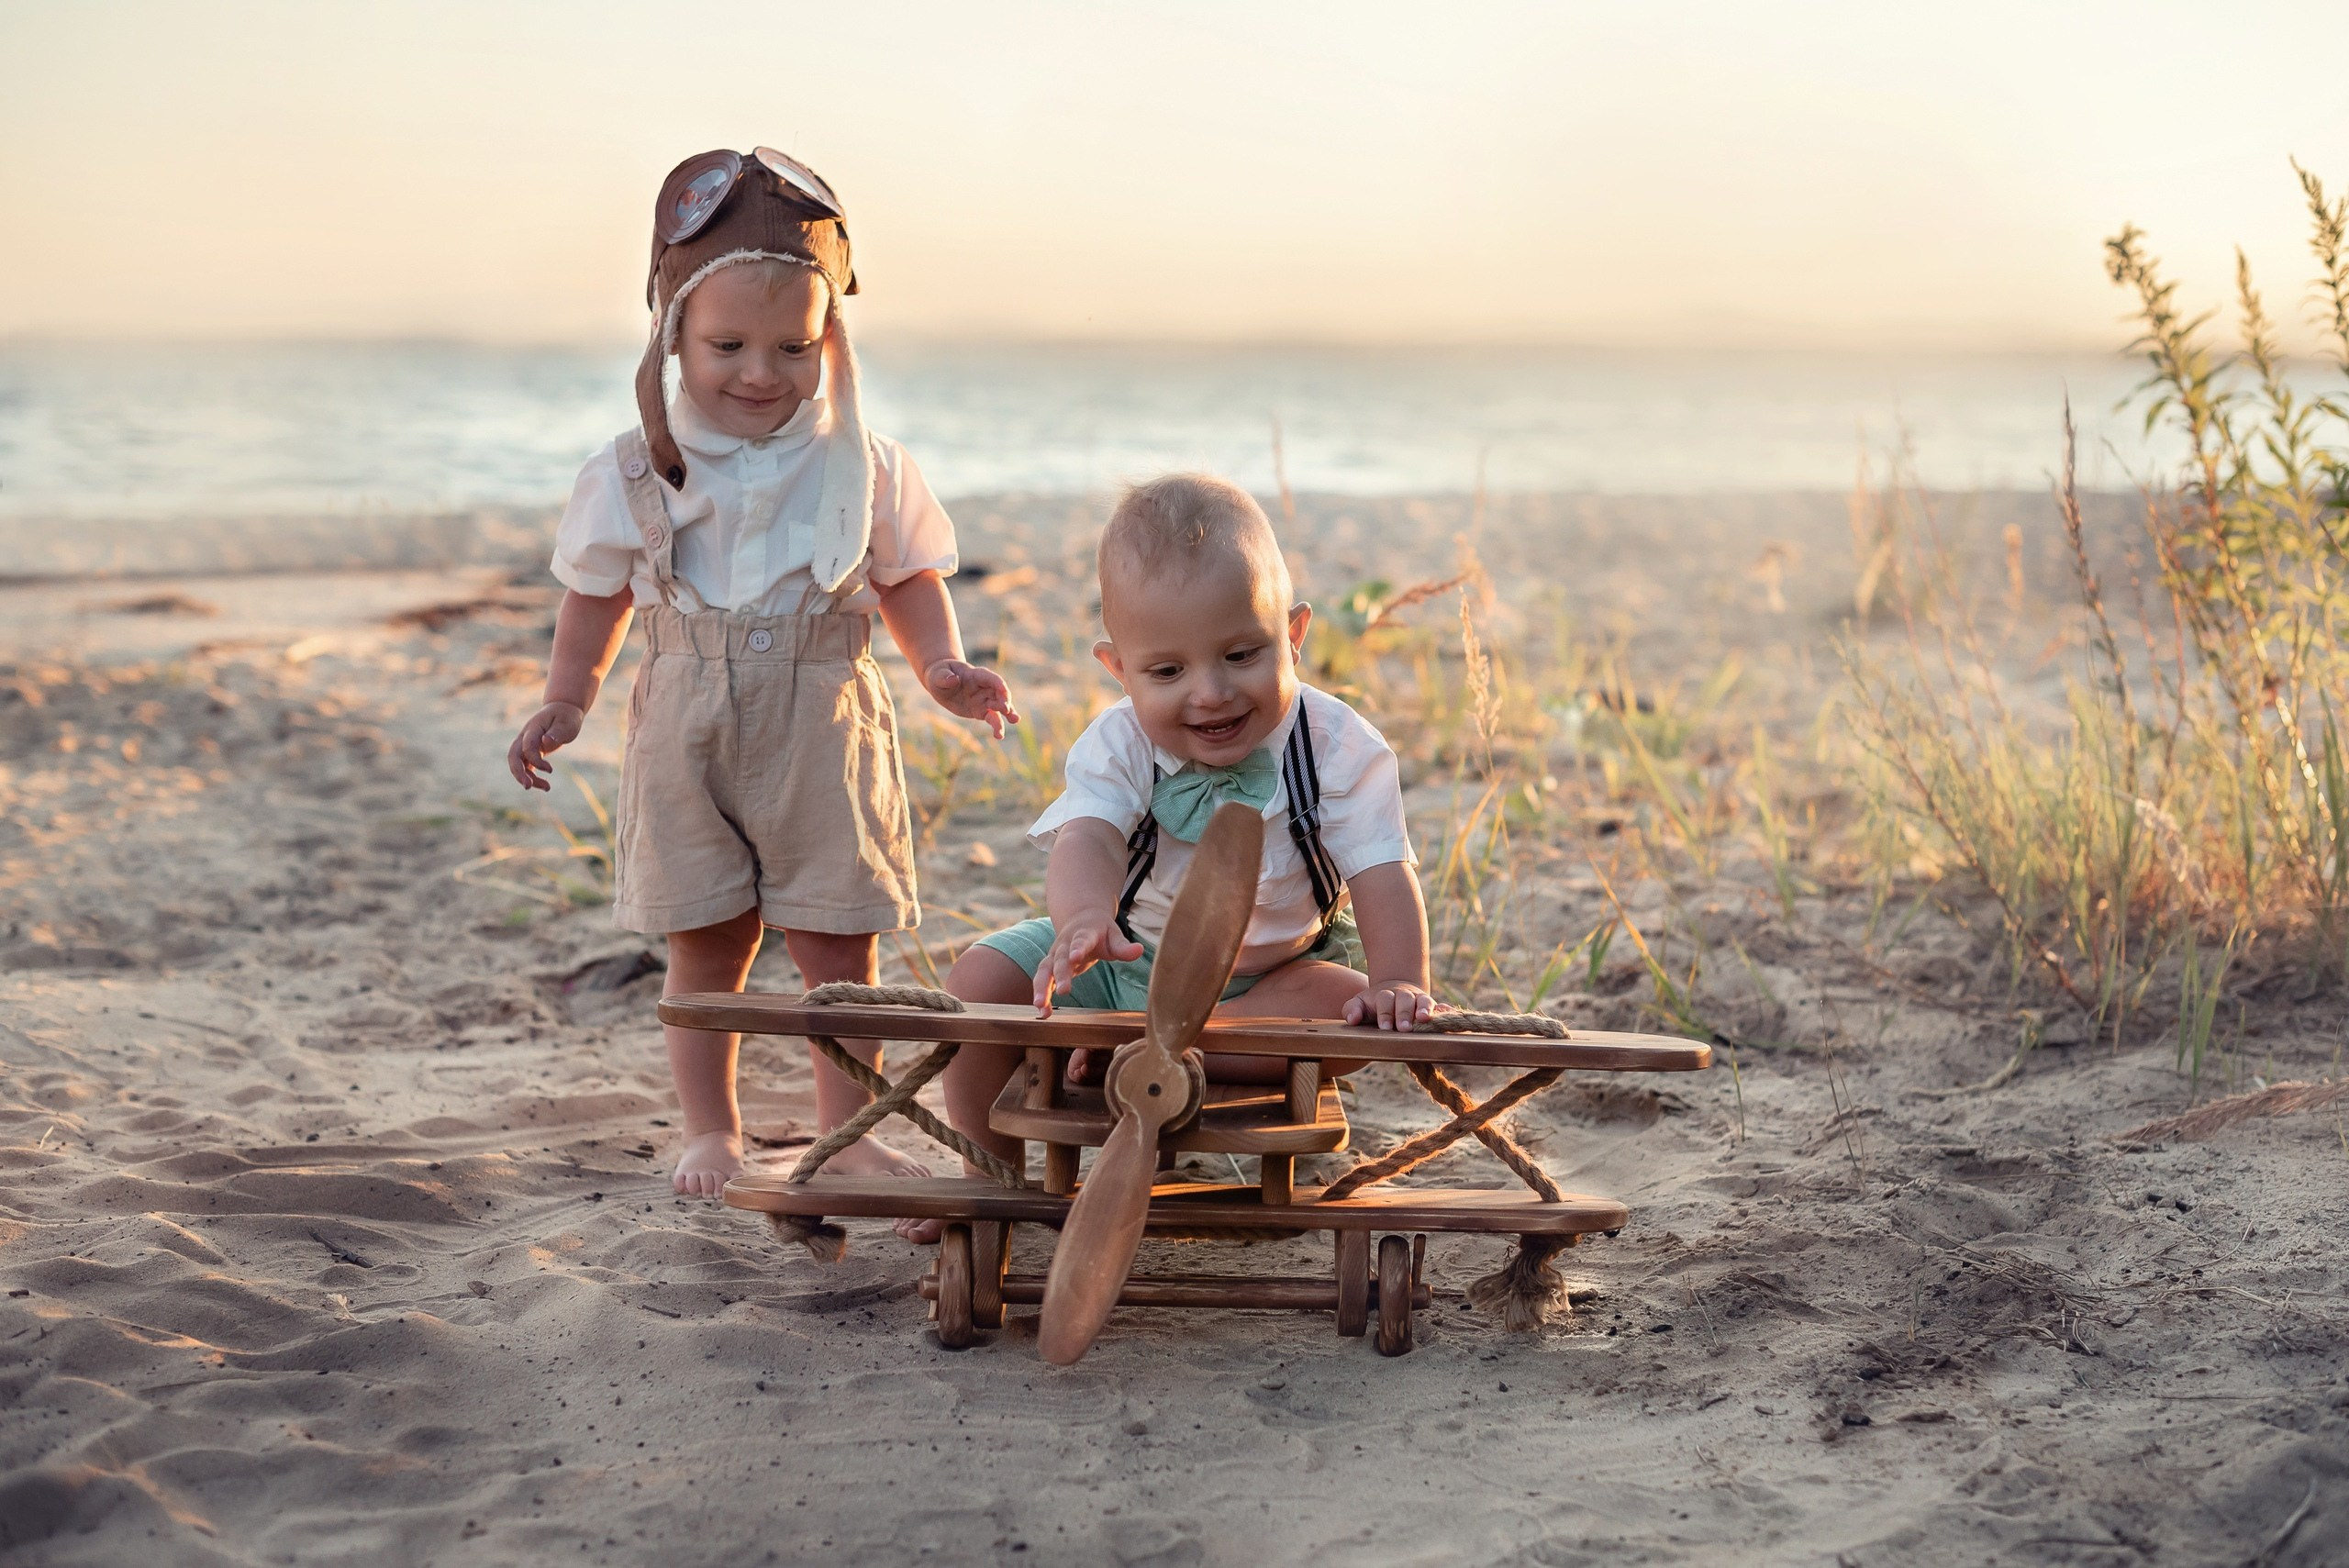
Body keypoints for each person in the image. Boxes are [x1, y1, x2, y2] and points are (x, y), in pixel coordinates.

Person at [505, 148, 1017, 1198]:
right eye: (726, 343)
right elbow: (597, 594)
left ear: (829, 341)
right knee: (705, 941)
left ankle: (853, 1127)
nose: (759, 371)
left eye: (793, 346)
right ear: (671, 335)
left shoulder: (859, 460)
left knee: (838, 941)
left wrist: (945, 666)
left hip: (823, 717)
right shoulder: (634, 465)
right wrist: (568, 695)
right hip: (684, 719)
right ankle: (712, 1130)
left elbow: (908, 575)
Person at [902, 473, 1431, 1237]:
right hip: (1122, 960)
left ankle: (1152, 1052)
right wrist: (1083, 919)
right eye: (1167, 672)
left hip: (1270, 979)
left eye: (1242, 654)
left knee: (1349, 1020)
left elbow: (1384, 870)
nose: (1210, 693)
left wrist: (1400, 979)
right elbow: (1088, 837)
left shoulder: (1339, 747)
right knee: (978, 982)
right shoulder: (1120, 741)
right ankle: (987, 1177)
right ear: (1119, 669)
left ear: (1295, 634)